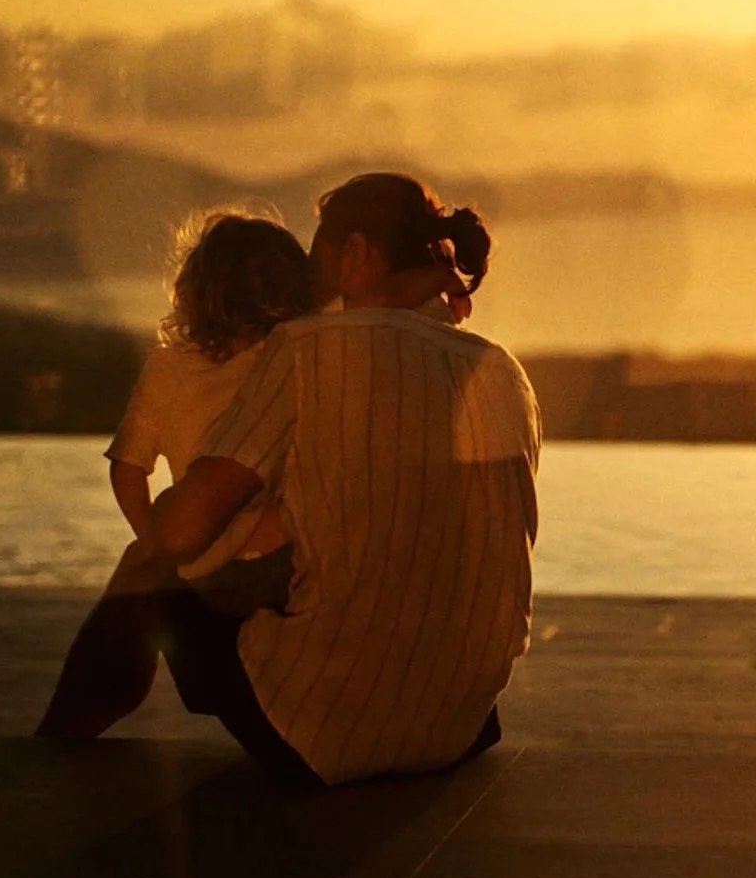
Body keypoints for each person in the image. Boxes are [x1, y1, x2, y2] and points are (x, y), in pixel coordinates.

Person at [70, 173, 541, 787]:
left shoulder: (307, 350)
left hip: (325, 736)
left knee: (150, 563)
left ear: (356, 255)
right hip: (463, 725)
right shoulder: (502, 371)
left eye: (318, 251)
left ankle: (58, 746)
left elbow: (183, 528)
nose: (309, 277)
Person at [36, 211, 315, 739]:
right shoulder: (297, 360)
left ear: (198, 288)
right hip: (282, 557)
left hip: (201, 560)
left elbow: (127, 467)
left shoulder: (171, 365)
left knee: (135, 580)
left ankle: (67, 726)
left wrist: (157, 543)